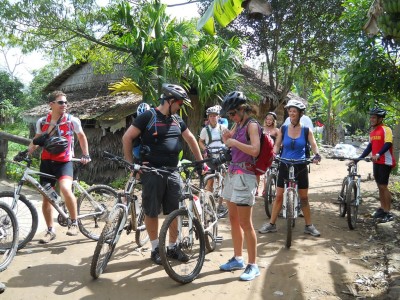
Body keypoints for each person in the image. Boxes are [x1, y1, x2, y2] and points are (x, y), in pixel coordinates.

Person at [122, 83, 203, 265]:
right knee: (151, 211)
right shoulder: (148, 117)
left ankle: (173, 247)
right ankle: (155, 248)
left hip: (172, 172)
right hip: (151, 171)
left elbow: (190, 139)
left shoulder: (176, 120)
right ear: (170, 101)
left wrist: (199, 163)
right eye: (180, 103)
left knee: (174, 211)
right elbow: (127, 137)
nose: (180, 107)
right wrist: (131, 164)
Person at [28, 90, 91, 243]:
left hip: (64, 162)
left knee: (65, 188)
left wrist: (86, 154)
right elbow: (36, 140)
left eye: (66, 102)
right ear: (52, 104)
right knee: (46, 197)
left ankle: (74, 222)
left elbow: (81, 136)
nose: (65, 105)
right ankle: (50, 231)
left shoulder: (72, 120)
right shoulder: (42, 122)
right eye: (61, 102)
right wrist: (27, 152)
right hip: (46, 163)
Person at [258, 99, 321, 237]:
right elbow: (277, 144)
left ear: (300, 113)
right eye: (290, 111)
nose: (292, 113)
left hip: (301, 165)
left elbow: (314, 144)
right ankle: (271, 224)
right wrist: (273, 153)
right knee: (279, 196)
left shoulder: (306, 130)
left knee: (304, 197)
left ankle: (309, 226)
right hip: (285, 164)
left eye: (294, 111)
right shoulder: (284, 129)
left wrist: (316, 154)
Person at [218, 91, 260, 281]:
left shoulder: (252, 125)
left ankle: (253, 265)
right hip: (233, 174)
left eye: (233, 113)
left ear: (243, 109)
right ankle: (237, 258)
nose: (231, 117)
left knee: (246, 223)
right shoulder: (238, 124)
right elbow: (228, 144)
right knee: (233, 220)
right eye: (229, 115)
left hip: (246, 176)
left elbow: (255, 150)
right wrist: (227, 137)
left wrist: (233, 141)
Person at [356, 108, 396, 223]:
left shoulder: (386, 129)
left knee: (383, 186)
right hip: (376, 162)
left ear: (380, 118)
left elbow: (388, 143)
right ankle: (382, 208)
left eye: (374, 118)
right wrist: (358, 159)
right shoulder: (372, 132)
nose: (371, 119)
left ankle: (388, 212)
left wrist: (378, 154)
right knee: (379, 186)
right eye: (371, 117)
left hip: (385, 162)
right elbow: (369, 147)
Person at [198, 105, 228, 214]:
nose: (213, 118)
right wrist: (205, 149)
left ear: (218, 117)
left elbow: (228, 139)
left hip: (221, 156)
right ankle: (208, 204)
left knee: (224, 180)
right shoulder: (205, 130)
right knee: (209, 181)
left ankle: (220, 205)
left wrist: (226, 148)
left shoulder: (223, 129)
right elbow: (200, 141)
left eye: (215, 116)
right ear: (208, 117)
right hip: (210, 156)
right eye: (211, 116)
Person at [259, 112, 279, 195]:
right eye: (267, 119)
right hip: (263, 153)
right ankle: (264, 189)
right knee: (263, 172)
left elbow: (279, 143)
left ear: (273, 121)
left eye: (271, 119)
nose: (269, 121)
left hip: (273, 152)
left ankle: (277, 189)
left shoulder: (276, 130)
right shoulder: (261, 129)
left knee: (275, 170)